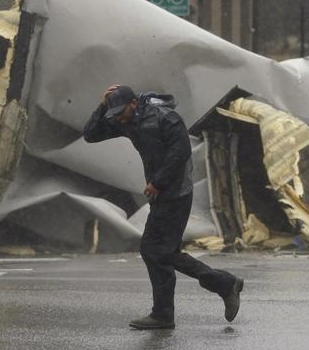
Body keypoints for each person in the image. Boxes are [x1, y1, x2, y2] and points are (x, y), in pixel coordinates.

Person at [83, 84, 244, 330]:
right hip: (161, 194)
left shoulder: (165, 117)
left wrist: (158, 182)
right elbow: (91, 135)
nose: (117, 117)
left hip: (177, 192)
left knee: (158, 251)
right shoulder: (126, 120)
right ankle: (170, 310)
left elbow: (180, 152)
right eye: (114, 113)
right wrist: (103, 105)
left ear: (134, 104)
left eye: (120, 111)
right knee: (159, 251)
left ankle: (215, 288)